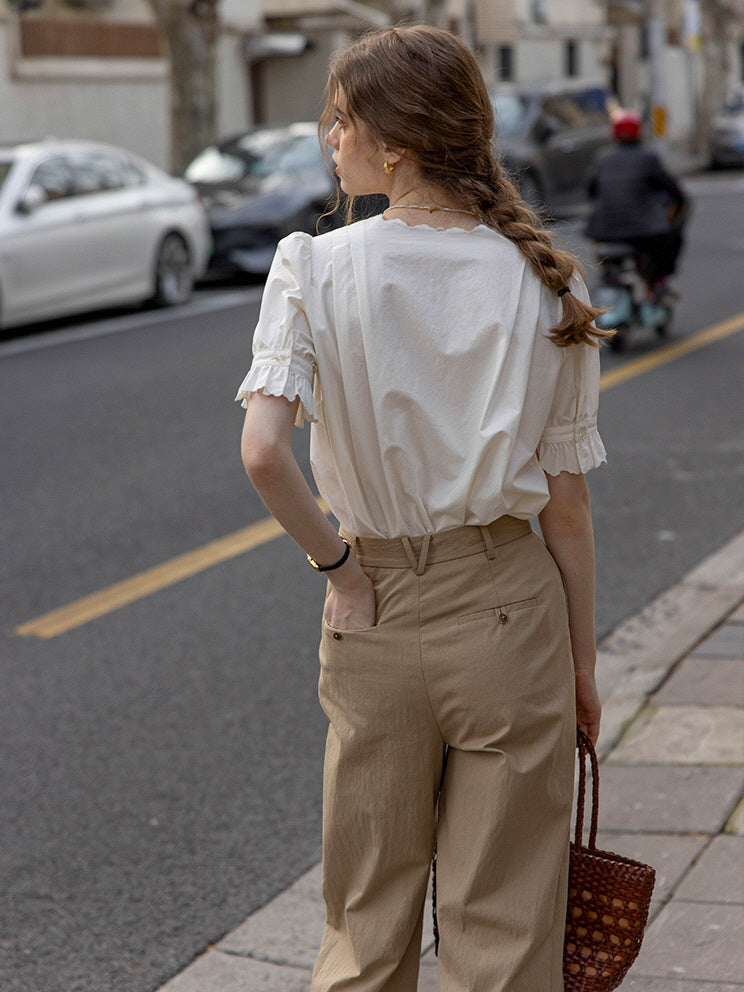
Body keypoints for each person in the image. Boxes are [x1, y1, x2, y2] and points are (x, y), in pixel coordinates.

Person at [237, 25, 610, 992]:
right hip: (510, 609)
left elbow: (264, 456)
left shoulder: (311, 267)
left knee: (363, 930)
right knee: (506, 933)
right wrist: (581, 666)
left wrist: (342, 572)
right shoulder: (547, 279)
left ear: (392, 142)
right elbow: (565, 513)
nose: (330, 136)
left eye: (341, 117)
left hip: (375, 610)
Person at [585, 109, 689, 292]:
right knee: (671, 237)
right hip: (643, 232)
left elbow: (591, 191)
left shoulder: (603, 159)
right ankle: (654, 281)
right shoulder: (648, 159)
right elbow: (675, 193)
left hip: (603, 231)